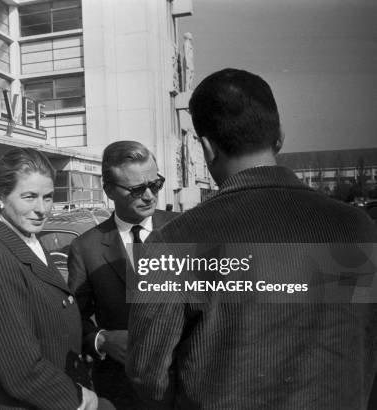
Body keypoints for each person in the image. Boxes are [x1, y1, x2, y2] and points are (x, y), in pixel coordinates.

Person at [126, 68, 377, 409]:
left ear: (206, 148)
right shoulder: (357, 228)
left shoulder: (172, 245)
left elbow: (148, 376)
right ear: (280, 136)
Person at [0, 147, 110, 410]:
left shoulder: (28, 240)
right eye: (29, 197)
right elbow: (21, 370)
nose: (42, 209)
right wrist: (78, 398)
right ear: (0, 196)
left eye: (48, 197)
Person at [67, 141, 177, 409]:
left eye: (156, 184)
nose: (150, 196)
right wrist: (101, 339)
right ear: (108, 190)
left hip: (183, 385)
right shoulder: (86, 247)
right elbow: (73, 320)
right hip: (121, 391)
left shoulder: (186, 229)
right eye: (137, 189)